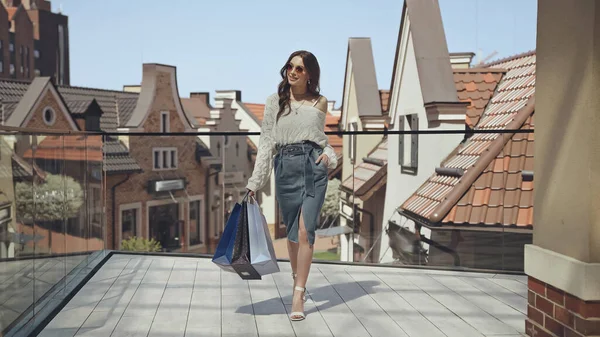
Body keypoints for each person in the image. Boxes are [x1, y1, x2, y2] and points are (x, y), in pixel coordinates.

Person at [246, 50, 337, 321]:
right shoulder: (275, 102)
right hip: (285, 166)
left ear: (309, 74)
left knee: (306, 230)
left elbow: (322, 139)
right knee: (293, 235)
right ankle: (297, 275)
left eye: (300, 68)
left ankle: (298, 293)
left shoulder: (320, 102)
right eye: (290, 66)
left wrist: (329, 156)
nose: (293, 72)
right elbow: (265, 144)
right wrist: (255, 182)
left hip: (313, 166)